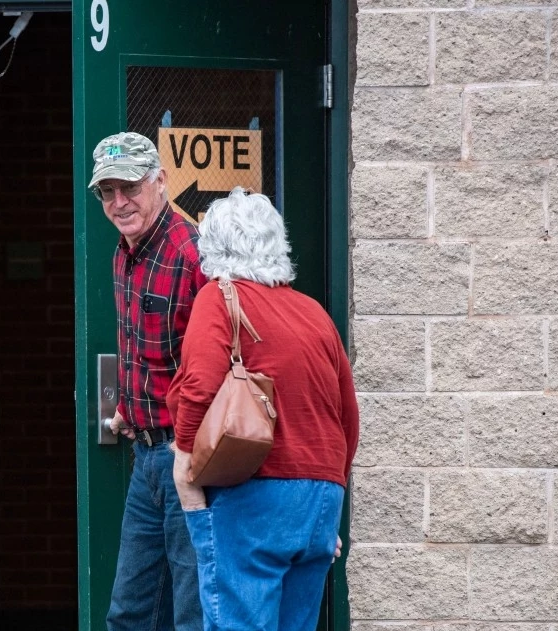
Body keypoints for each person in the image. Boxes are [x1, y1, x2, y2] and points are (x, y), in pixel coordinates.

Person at [166, 188, 359, 631]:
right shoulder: (314, 313)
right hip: (320, 497)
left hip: (254, 493)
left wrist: (184, 461)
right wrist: (326, 496)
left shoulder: (220, 297)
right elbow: (348, 415)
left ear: (212, 246)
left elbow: (198, 387)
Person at [90, 131, 207, 631]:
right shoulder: (125, 253)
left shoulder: (193, 256)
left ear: (160, 181)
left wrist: (190, 450)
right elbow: (146, 345)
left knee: (192, 613)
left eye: (131, 187)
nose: (120, 203)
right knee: (129, 615)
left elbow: (222, 364)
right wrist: (130, 406)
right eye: (107, 192)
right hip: (145, 457)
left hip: (189, 459)